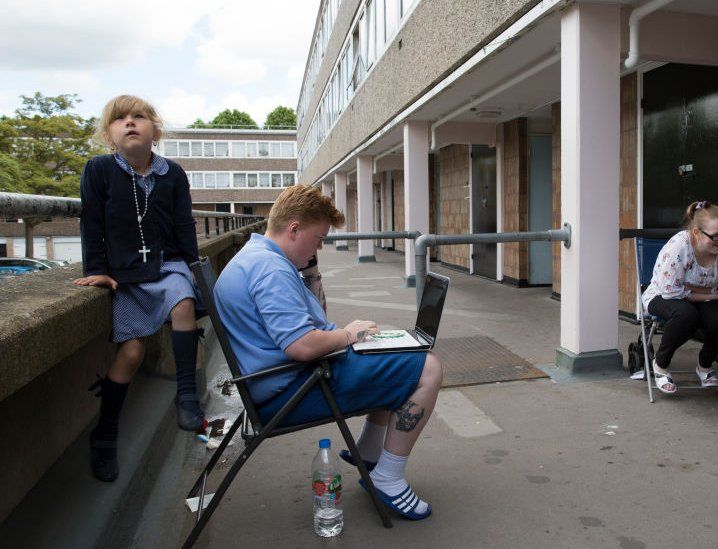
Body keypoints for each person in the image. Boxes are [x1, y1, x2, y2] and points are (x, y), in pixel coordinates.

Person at [214, 184, 442, 520]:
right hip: (293, 390)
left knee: (388, 356)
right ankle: (388, 478)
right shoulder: (271, 270)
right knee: (428, 367)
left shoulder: (256, 257)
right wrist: (348, 335)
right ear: (294, 229)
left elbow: (309, 323)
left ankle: (368, 451)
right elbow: (303, 345)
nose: (320, 245)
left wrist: (312, 274)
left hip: (280, 381)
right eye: (318, 237)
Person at [73, 95, 205, 482]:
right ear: (109, 134)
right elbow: (91, 223)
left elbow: (185, 226)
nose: (130, 123)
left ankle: (186, 396)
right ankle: (105, 434)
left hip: (167, 265)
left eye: (139, 117)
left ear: (154, 129)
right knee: (130, 352)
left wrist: (194, 269)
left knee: (182, 301)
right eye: (120, 119)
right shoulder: (98, 170)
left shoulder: (172, 174)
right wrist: (97, 269)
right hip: (125, 273)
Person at [636, 200, 718, 393]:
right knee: (686, 316)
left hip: (701, 297)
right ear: (697, 233)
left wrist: (692, 289)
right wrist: (707, 293)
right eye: (716, 236)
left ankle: (705, 366)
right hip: (662, 295)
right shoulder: (680, 246)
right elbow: (671, 291)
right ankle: (660, 364)